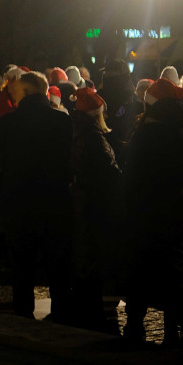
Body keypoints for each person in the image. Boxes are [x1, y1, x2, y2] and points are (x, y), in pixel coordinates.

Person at [0, 72, 74, 321]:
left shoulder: (10, 122)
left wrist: (0, 177)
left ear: (26, 92)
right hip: (55, 201)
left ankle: (23, 314)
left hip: (18, 201)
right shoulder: (63, 122)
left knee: (22, 265)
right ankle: (61, 313)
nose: (12, 95)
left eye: (15, 91)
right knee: (57, 264)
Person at [124, 78, 183, 344]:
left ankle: (135, 326)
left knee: (140, 267)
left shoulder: (142, 135)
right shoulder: (179, 134)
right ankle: (171, 329)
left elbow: (131, 178)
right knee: (172, 270)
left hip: (143, 212)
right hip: (173, 210)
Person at [69, 87, 122, 332]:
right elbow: (108, 174)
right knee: (94, 261)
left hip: (83, 204)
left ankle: (84, 311)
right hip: (94, 206)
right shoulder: (93, 137)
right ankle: (93, 317)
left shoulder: (78, 131)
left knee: (85, 260)